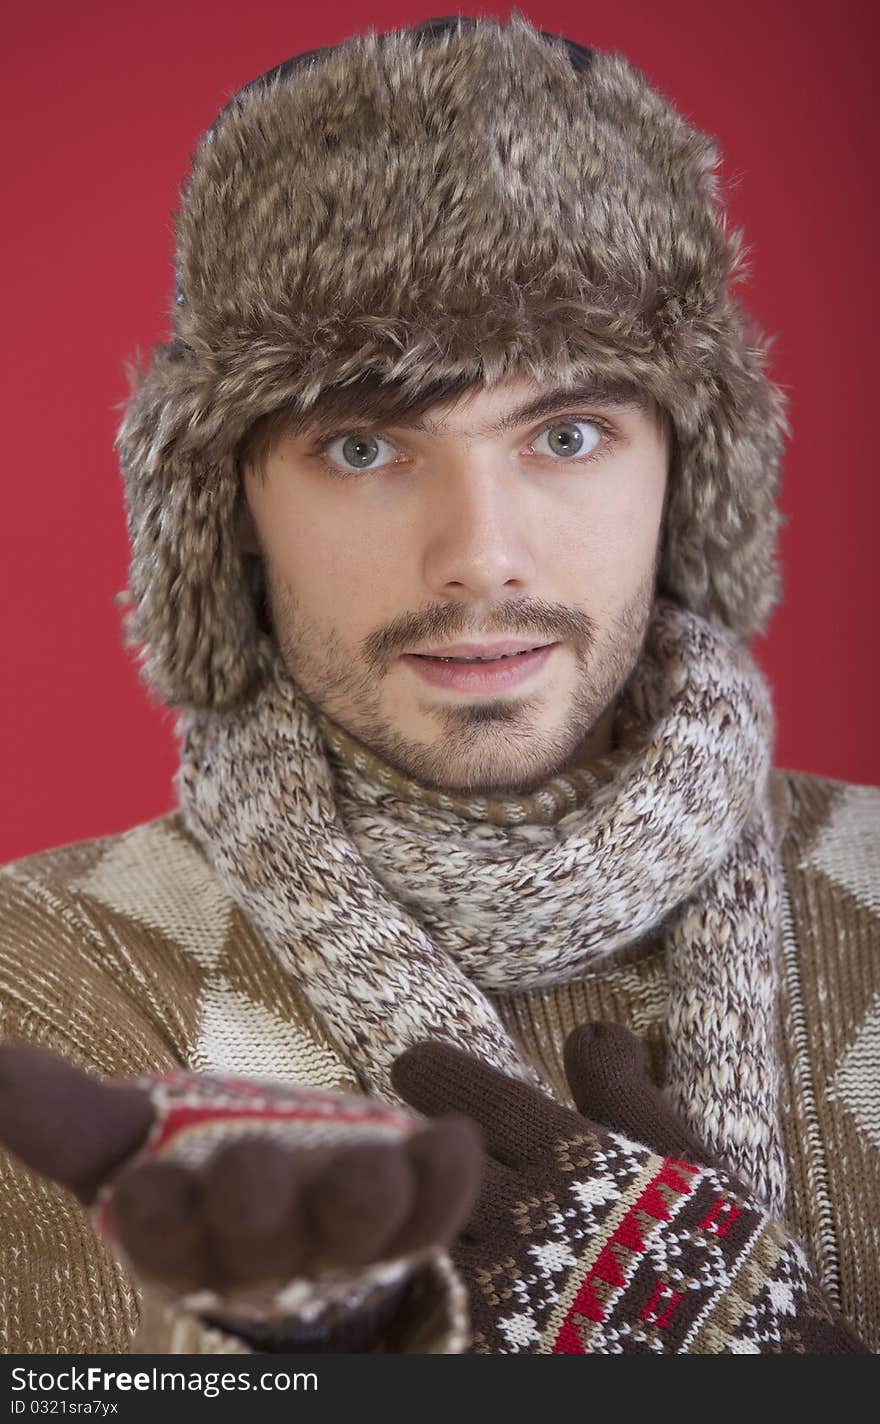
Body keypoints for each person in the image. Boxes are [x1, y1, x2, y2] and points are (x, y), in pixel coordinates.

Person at [0, 13, 876, 1356]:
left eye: (567, 434)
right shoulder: (34, 984)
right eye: (363, 446)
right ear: (228, 503)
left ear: (688, 476)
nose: (478, 558)